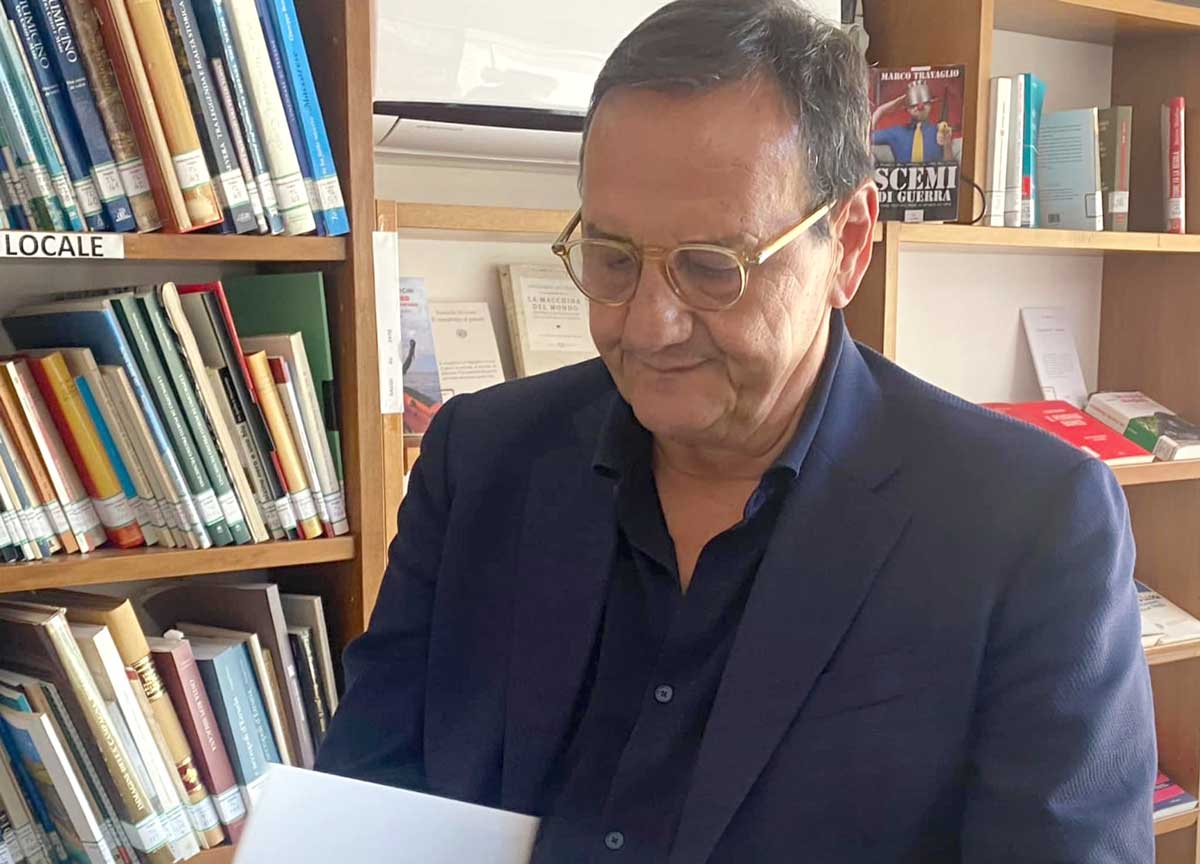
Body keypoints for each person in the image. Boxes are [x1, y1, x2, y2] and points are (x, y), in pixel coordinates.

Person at [317, 1, 1156, 861]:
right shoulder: (480, 457)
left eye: (712, 268)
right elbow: (365, 800)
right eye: (612, 258)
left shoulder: (1027, 523)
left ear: (849, 245)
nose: (649, 325)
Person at [872, 80, 954, 163]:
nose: (919, 107)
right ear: (907, 109)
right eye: (913, 105)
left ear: (930, 105)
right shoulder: (896, 132)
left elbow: (949, 166)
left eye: (925, 103)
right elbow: (866, 138)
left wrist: (947, 145)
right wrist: (880, 111)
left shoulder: (940, 132)